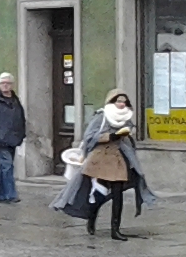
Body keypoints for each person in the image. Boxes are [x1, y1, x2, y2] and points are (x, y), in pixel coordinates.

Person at [55, 89, 158, 240]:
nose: (122, 104)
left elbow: (128, 137)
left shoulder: (126, 118)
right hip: (100, 159)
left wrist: (127, 134)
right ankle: (91, 217)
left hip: (118, 159)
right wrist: (111, 136)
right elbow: (89, 136)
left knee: (117, 194)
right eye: (118, 101)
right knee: (100, 194)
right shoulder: (102, 116)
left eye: (124, 101)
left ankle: (115, 230)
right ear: (112, 101)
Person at [0, 74, 28, 204]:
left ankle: (0, 195)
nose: (5, 85)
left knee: (4, 167)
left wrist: (21, 134)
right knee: (7, 165)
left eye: (8, 83)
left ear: (12, 85)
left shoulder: (15, 101)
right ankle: (11, 195)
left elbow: (21, 118)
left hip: (13, 139)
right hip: (0, 140)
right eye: (3, 83)